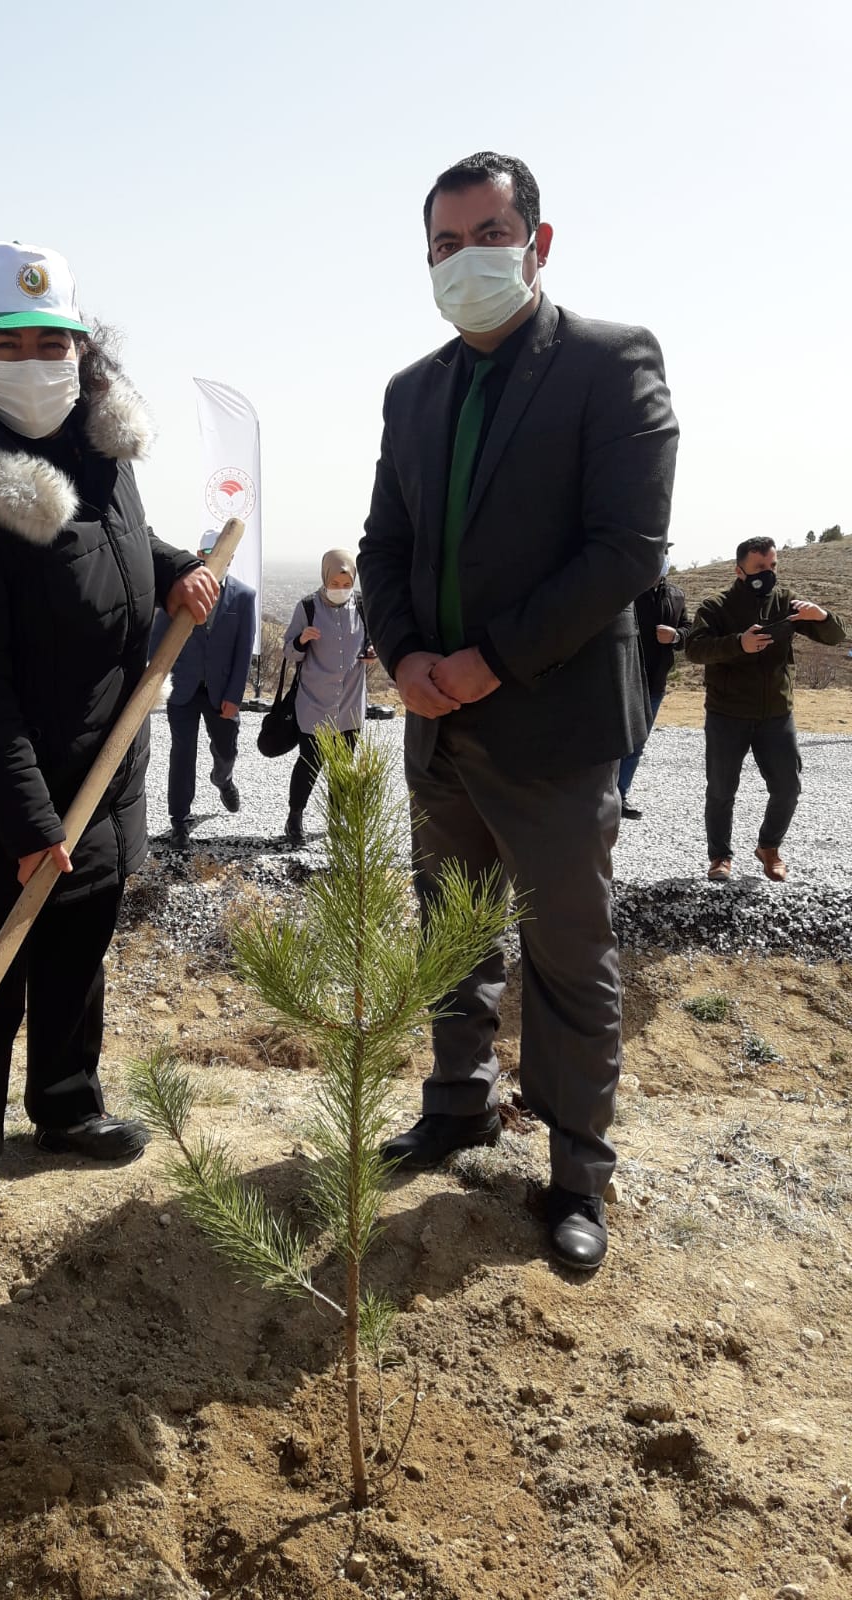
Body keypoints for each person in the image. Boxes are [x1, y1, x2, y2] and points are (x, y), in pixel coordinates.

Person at [359, 151, 677, 1272]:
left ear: (537, 243)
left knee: (566, 951)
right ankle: (457, 1102)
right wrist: (403, 657)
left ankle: (578, 1171)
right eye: (442, 246)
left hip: (548, 725)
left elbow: (627, 549)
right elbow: (385, 545)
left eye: (482, 237)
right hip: (436, 722)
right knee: (451, 930)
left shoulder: (607, 362)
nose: (461, 261)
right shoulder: (413, 390)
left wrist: (489, 660)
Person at [0, 241, 217, 1248]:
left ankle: (65, 1103)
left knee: (76, 944)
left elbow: (116, 551)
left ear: (83, 351)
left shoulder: (98, 451)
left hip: (100, 762)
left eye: (53, 340)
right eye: (9, 341)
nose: (35, 359)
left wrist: (180, 571)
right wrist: (26, 821)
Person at [684, 536, 846, 882]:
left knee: (788, 787)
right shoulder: (716, 606)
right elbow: (694, 650)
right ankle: (720, 857)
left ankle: (769, 848)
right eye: (760, 567)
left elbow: (835, 637)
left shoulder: (787, 603)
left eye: (772, 566)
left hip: (776, 714)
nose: (768, 573)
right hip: (727, 714)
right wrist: (738, 644)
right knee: (721, 790)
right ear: (739, 569)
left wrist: (822, 616)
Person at [151, 529, 256, 851]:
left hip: (221, 692)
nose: (212, 559)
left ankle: (223, 779)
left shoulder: (243, 596)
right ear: (199, 555)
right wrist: (151, 680)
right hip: (182, 690)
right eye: (206, 553)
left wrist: (234, 696)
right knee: (182, 754)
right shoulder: (181, 591)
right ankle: (179, 821)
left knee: (226, 749)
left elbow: (243, 651)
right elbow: (157, 639)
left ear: (231, 558)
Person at [282, 549, 374, 846]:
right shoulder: (308, 607)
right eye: (335, 583)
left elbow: (371, 643)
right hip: (314, 704)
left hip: (350, 704)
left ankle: (337, 822)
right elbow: (288, 651)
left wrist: (371, 654)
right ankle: (295, 817)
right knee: (309, 762)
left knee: (343, 768)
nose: (341, 589)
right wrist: (301, 640)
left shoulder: (362, 606)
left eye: (346, 583)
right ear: (325, 578)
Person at [617, 552, 690, 819]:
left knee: (637, 743)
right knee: (613, 739)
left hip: (655, 682)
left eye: (665, 554)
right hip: (623, 679)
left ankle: (620, 796)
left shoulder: (677, 595)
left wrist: (676, 636)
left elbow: (688, 629)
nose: (662, 559)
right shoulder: (626, 590)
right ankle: (600, 797)